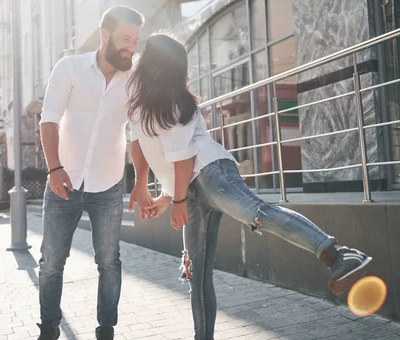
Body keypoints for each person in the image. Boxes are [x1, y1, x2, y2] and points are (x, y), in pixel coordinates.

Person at [128, 33, 372, 340]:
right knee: (197, 275)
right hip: (186, 188)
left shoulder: (177, 102)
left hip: (210, 171)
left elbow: (185, 158)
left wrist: (175, 201)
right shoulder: (137, 94)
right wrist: (152, 189)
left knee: (256, 213)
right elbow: (140, 141)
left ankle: (338, 255)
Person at [38, 6, 144, 340]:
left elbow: (139, 134)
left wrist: (141, 182)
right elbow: (49, 119)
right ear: (105, 35)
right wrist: (54, 168)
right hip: (63, 181)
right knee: (52, 261)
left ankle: (106, 330)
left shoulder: (134, 80)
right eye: (126, 38)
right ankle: (50, 327)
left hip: (109, 184)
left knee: (109, 262)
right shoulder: (70, 67)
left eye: (136, 40)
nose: (131, 46)